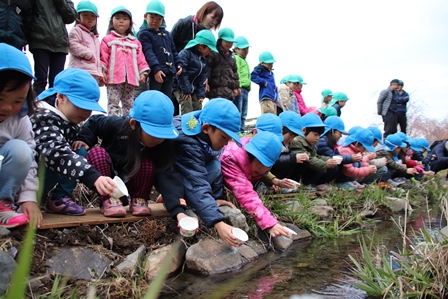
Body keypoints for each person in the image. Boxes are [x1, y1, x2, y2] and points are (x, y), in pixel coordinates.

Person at [75, 90, 179, 217]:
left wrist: (170, 195)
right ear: (133, 124)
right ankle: (108, 199)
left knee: (148, 163)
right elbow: (94, 122)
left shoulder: (163, 144)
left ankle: (139, 200)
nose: (157, 139)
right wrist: (83, 139)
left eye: (161, 135)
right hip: (109, 175)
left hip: (134, 176)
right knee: (97, 153)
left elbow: (166, 170)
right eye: (152, 133)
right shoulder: (117, 126)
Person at [156, 98, 244, 247]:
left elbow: (212, 162)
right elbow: (196, 183)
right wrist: (217, 222)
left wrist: (215, 197)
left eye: (229, 139)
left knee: (215, 165)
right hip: (169, 174)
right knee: (200, 179)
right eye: (224, 137)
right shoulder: (188, 142)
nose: (226, 143)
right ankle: (173, 197)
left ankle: (201, 201)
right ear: (206, 128)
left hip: (190, 170)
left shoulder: (211, 135)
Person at [31, 68, 115, 217]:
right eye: (81, 106)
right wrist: (92, 176)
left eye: (89, 109)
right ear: (61, 97)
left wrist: (81, 140)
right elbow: (56, 153)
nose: (85, 113)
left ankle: (58, 198)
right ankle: (29, 201)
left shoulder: (68, 118)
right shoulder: (44, 118)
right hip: (29, 178)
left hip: (45, 173)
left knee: (80, 151)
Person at [0, 43, 41, 228]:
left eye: (17, 101)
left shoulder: (20, 121)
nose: (7, 108)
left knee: (21, 151)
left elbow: (29, 161)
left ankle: (3, 205)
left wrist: (28, 198)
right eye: (1, 99)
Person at [221, 131, 291, 238]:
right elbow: (246, 194)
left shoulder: (252, 154)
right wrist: (269, 223)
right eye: (260, 168)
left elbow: (264, 173)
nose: (263, 170)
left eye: (267, 166)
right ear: (251, 154)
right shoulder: (230, 159)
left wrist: (274, 181)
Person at [101, 6, 150, 116]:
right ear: (111, 21)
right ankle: (113, 124)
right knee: (113, 103)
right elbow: (104, 57)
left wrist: (143, 73)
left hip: (130, 79)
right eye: (117, 18)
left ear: (130, 23)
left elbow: (141, 59)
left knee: (129, 104)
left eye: (125, 19)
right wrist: (103, 71)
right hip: (113, 78)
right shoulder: (108, 40)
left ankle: (127, 125)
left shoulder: (135, 42)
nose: (121, 21)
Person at [28, 0, 77, 96]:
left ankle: (53, 108)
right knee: (40, 78)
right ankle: (37, 107)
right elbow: (27, 13)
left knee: (57, 82)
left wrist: (61, 2)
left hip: (60, 43)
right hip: (40, 40)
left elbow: (71, 17)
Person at [138, 0, 182, 97]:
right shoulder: (144, 34)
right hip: (155, 73)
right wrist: (156, 69)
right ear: (145, 16)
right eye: (152, 17)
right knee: (153, 97)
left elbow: (173, 51)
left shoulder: (167, 34)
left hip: (170, 72)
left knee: (166, 98)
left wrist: (178, 63)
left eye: (159, 18)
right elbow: (148, 52)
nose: (155, 21)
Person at [289, 113, 339, 190]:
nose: (318, 138)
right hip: (297, 173)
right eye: (315, 134)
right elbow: (310, 159)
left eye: (319, 135)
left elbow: (316, 156)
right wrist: (325, 164)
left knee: (333, 167)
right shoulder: (298, 141)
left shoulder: (311, 144)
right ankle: (305, 184)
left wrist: (328, 160)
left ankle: (317, 184)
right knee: (309, 163)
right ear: (304, 130)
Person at [174, 30, 217, 115]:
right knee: (187, 107)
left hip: (194, 89)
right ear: (201, 46)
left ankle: (195, 127)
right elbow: (182, 73)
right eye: (209, 49)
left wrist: (201, 95)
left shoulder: (203, 60)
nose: (210, 52)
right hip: (181, 87)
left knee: (197, 107)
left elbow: (203, 78)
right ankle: (186, 127)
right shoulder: (185, 54)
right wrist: (186, 90)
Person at [316, 116, 363, 189]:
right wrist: (351, 158)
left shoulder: (332, 144)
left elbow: (337, 156)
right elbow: (333, 157)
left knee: (340, 164)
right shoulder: (322, 142)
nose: (341, 136)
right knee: (334, 165)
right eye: (340, 133)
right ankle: (320, 183)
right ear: (332, 131)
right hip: (317, 170)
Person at [68, 1, 103, 85]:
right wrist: (89, 54)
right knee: (79, 94)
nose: (90, 18)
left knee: (90, 96)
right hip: (80, 71)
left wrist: (100, 74)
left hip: (93, 74)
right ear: (78, 17)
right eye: (85, 15)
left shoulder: (95, 38)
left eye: (93, 16)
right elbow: (72, 45)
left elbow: (98, 58)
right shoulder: (76, 30)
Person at [270, 111, 309, 181]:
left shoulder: (287, 144)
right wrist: (293, 158)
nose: (291, 139)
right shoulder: (270, 141)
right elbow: (272, 161)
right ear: (282, 129)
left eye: (293, 136)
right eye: (290, 135)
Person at [206, 27, 240, 101]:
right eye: (227, 41)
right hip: (215, 91)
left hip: (229, 92)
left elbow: (235, 73)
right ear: (220, 40)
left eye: (231, 42)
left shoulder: (232, 57)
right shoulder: (213, 53)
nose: (229, 44)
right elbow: (208, 69)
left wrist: (236, 86)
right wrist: (206, 82)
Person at [233, 36, 251, 134]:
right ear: (236, 49)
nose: (246, 50)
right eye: (244, 48)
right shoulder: (236, 58)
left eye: (247, 48)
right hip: (239, 88)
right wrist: (236, 85)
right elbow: (236, 72)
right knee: (238, 111)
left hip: (246, 90)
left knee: (244, 112)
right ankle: (236, 131)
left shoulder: (244, 60)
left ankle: (242, 130)